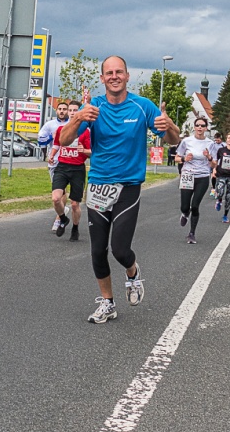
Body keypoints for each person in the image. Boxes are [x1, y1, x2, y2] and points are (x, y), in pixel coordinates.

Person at [58, 55, 180, 324]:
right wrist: (77, 118)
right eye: (108, 73)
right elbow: (64, 140)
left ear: (127, 76)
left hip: (128, 186)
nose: (114, 76)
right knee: (97, 250)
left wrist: (170, 126)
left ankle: (133, 273)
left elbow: (173, 140)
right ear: (102, 78)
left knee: (120, 250)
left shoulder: (142, 106)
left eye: (119, 72)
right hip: (99, 186)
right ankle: (108, 303)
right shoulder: (94, 108)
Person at [49, 101, 91, 241]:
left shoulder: (85, 132)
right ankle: (63, 218)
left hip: (77, 168)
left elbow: (93, 152)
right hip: (62, 166)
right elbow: (56, 144)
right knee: (56, 198)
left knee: (74, 204)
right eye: (70, 110)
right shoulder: (62, 129)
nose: (72, 112)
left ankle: (75, 228)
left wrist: (84, 151)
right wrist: (51, 155)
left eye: (75, 110)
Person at [175, 117, 216, 244]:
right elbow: (177, 158)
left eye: (202, 126)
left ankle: (191, 233)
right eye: (197, 125)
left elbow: (214, 164)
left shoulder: (210, 143)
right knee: (184, 206)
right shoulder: (186, 141)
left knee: (195, 205)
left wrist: (209, 157)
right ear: (194, 127)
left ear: (206, 128)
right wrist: (184, 159)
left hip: (202, 176)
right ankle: (185, 213)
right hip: (188, 175)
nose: (200, 128)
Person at [39, 101, 71, 232]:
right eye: (60, 109)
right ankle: (63, 210)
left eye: (65, 109)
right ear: (56, 111)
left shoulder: (72, 125)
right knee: (59, 190)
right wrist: (49, 141)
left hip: (69, 161)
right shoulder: (50, 125)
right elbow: (40, 139)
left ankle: (59, 217)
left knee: (61, 190)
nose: (62, 111)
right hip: (55, 161)